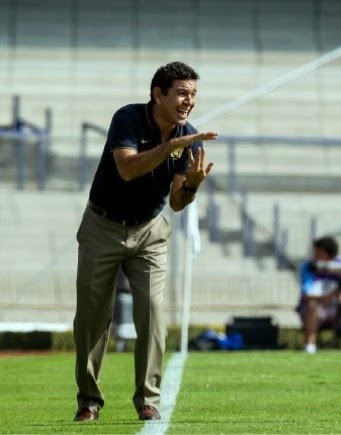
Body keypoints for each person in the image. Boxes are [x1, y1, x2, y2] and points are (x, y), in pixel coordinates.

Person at [72, 61, 217, 422]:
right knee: (92, 318)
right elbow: (127, 168)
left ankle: (148, 399)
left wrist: (194, 183)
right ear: (158, 94)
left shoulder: (188, 136)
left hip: (150, 231)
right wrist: (173, 147)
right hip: (102, 225)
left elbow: (177, 203)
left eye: (193, 94)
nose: (189, 101)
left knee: (152, 311)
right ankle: (89, 401)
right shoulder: (128, 119)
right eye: (182, 93)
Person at [296, 236, 341, 354]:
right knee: (312, 306)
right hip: (317, 310)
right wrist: (327, 297)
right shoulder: (309, 267)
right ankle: (309, 346)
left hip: (338, 310)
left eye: (319, 253)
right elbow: (306, 295)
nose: (315, 256)